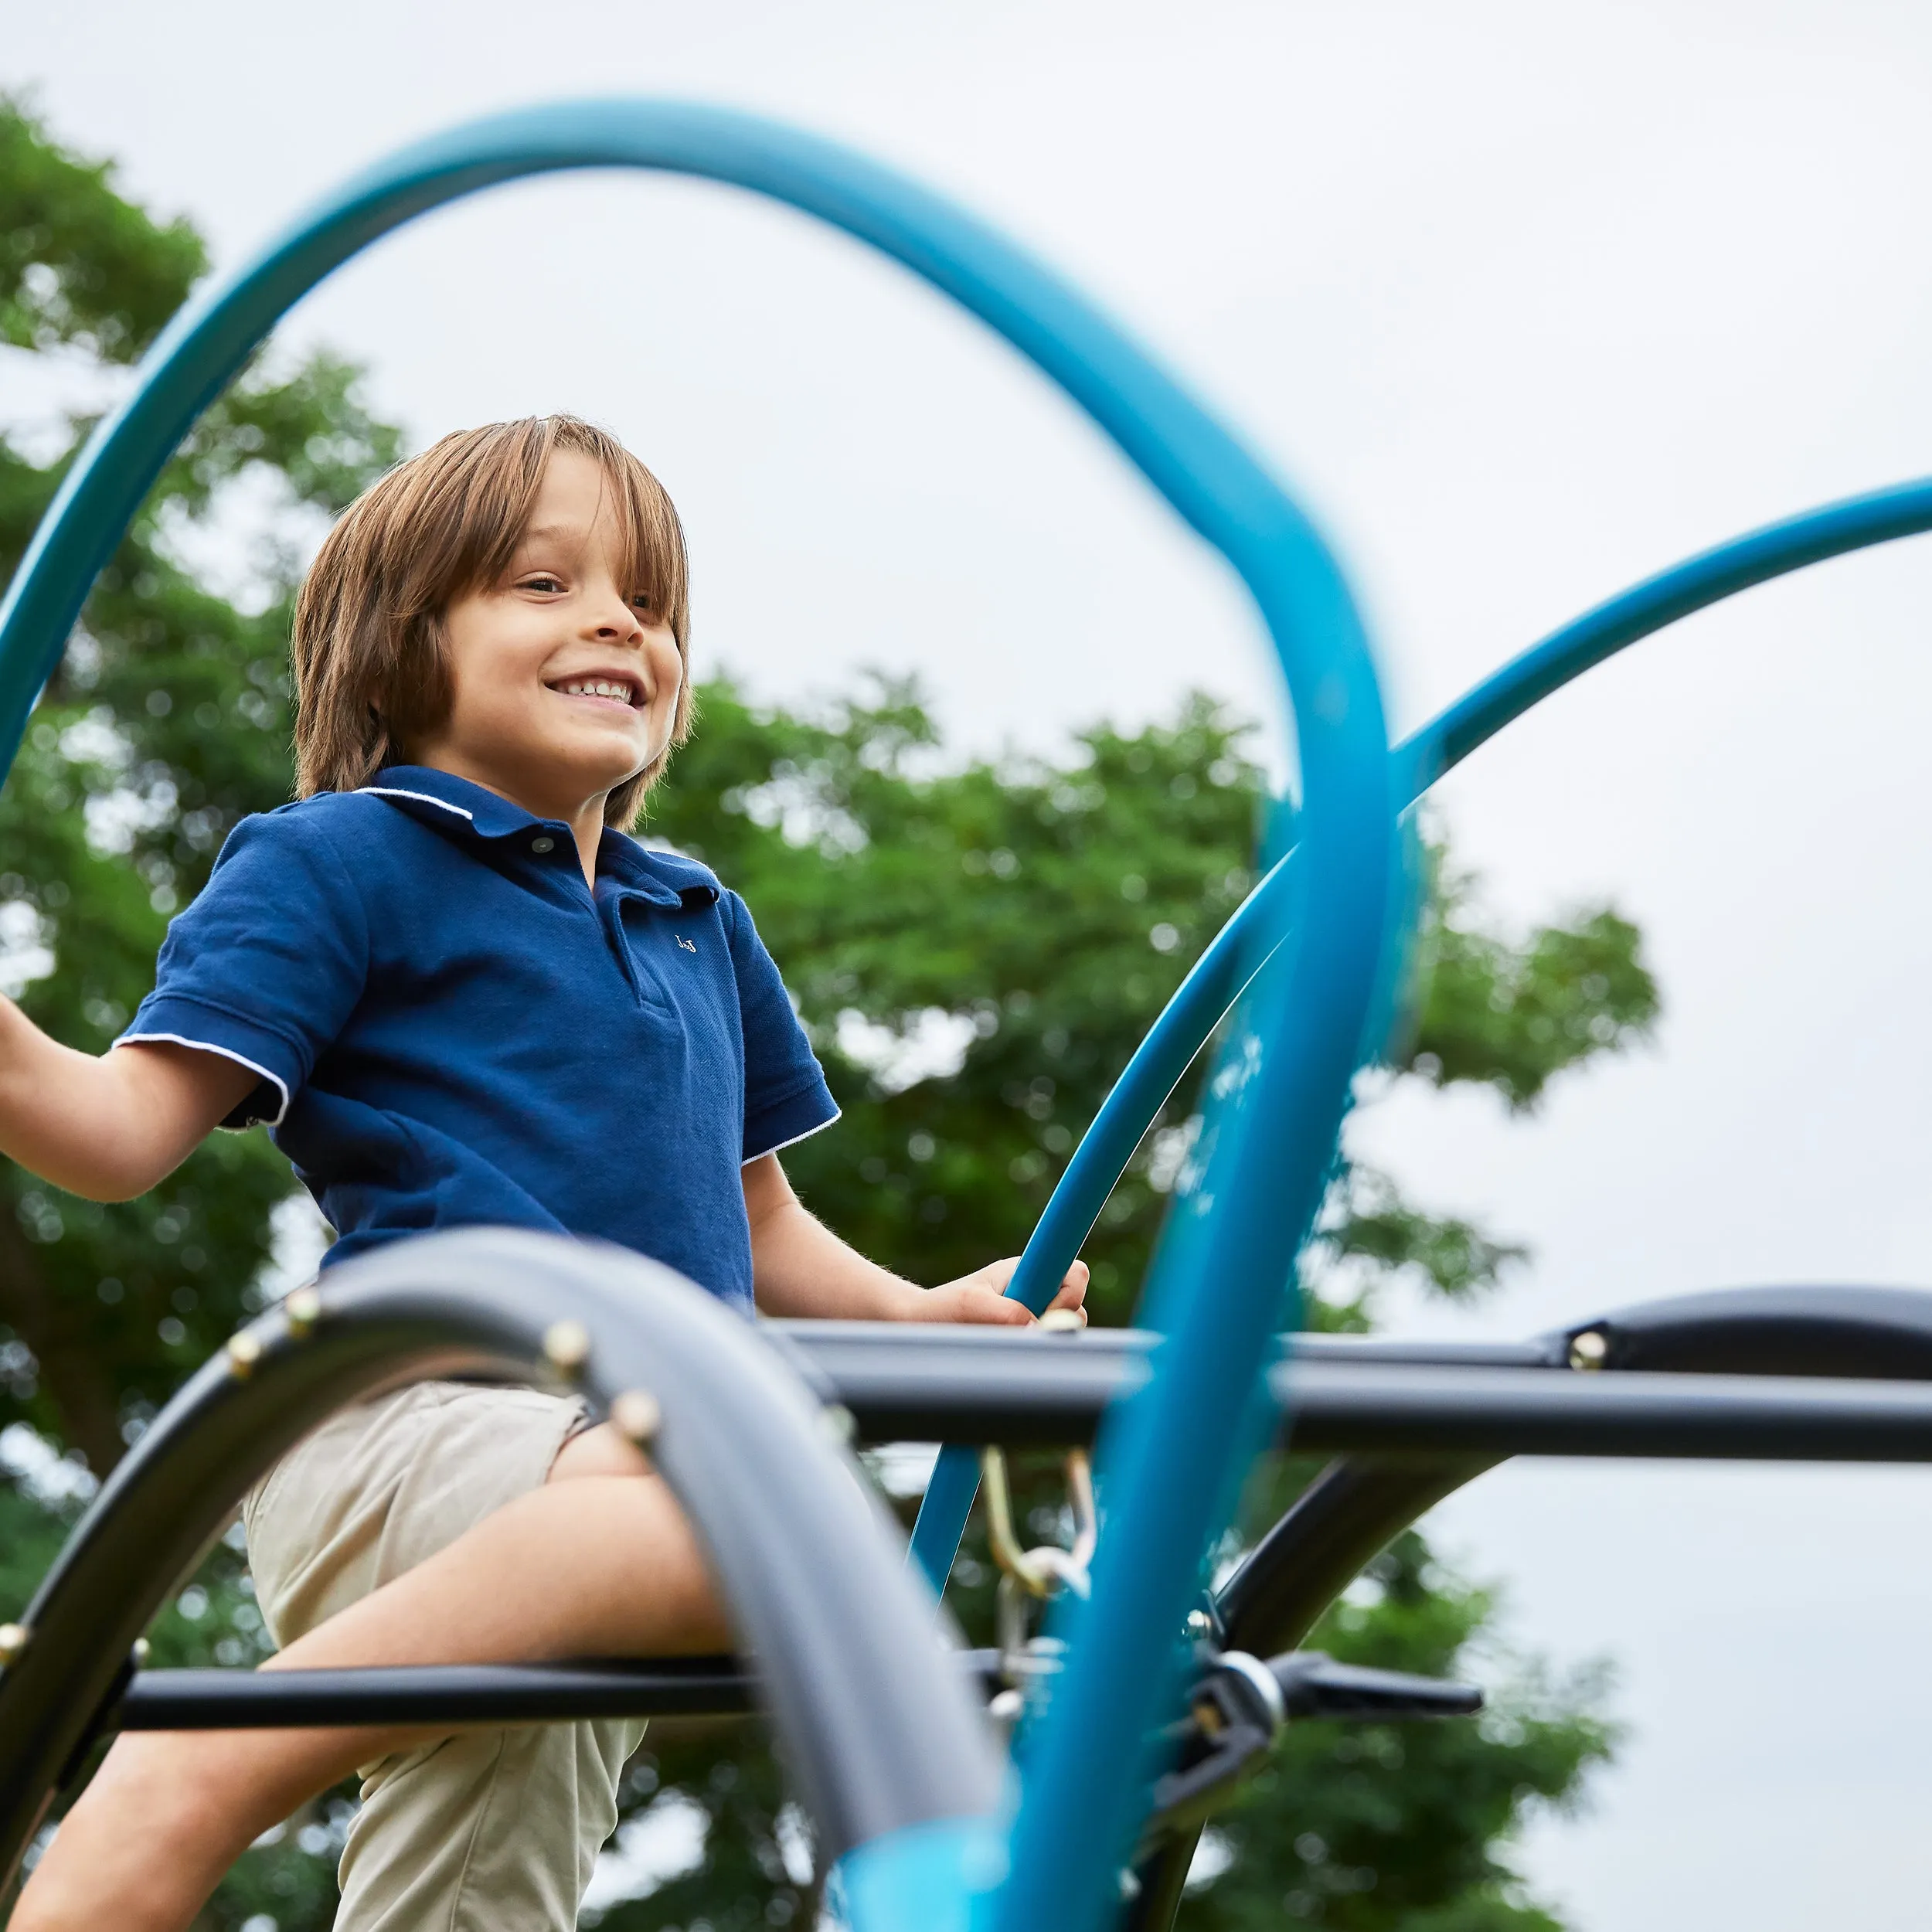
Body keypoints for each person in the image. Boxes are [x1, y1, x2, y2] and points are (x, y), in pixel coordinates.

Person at [5, 416, 1087, 1932]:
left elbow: (760, 1224)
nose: (614, 622)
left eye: (646, 601)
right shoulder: (343, 856)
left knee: (485, 1893)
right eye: (540, 581)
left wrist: (921, 1315)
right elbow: (115, 1132)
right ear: (402, 644)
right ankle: (183, 1775)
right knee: (762, 1511)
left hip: (618, 1459)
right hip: (416, 1430)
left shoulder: (693, 912)